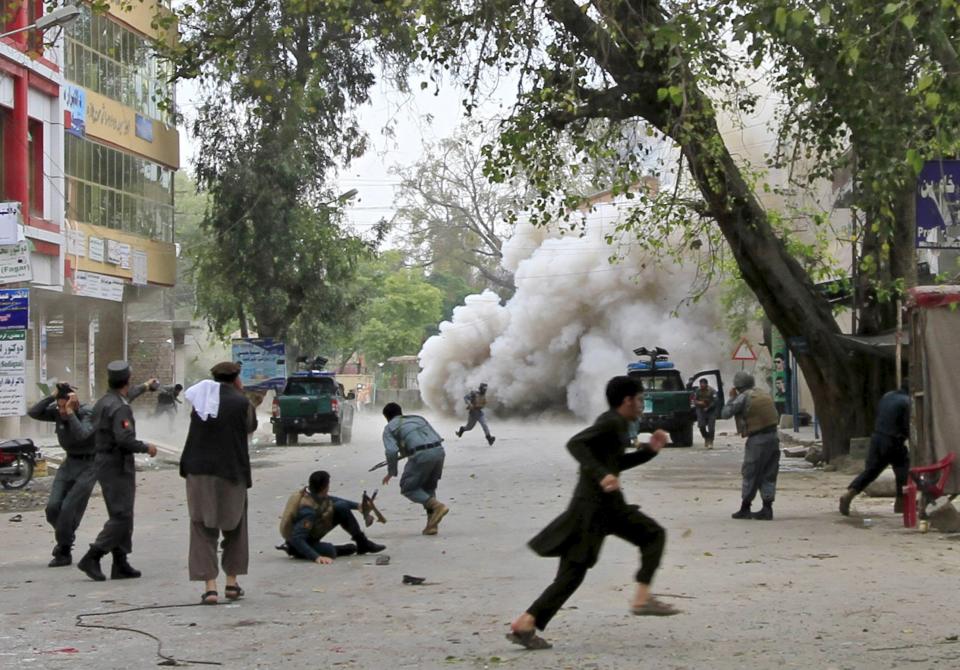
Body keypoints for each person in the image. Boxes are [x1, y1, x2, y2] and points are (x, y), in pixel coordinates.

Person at [507, 376, 678, 651]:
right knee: (652, 535)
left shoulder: (619, 425)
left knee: (572, 574)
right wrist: (602, 475)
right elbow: (576, 444)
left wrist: (649, 452)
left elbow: (615, 463)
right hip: (596, 509)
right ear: (627, 400)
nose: (642, 403)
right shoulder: (610, 422)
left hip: (599, 507)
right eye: (640, 397)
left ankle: (525, 623)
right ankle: (642, 598)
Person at [180, 362, 257, 605]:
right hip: (231, 471)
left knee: (202, 527)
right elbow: (250, 426)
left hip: (197, 471)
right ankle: (232, 584)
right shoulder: (241, 402)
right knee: (235, 526)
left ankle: (210, 588)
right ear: (237, 379)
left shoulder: (201, 400)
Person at [77, 361, 159, 581]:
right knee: (122, 515)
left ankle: (120, 562)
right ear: (127, 380)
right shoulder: (120, 407)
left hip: (104, 461)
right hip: (116, 463)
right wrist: (146, 447)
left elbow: (127, 395)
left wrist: (145, 386)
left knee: (121, 512)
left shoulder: (105, 401)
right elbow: (125, 439)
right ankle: (93, 556)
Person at [28, 382, 97, 567]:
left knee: (68, 508)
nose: (60, 410)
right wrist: (52, 396)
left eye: (63, 406)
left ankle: (64, 550)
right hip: (69, 463)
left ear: (74, 402)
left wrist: (71, 413)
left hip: (89, 465)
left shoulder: (87, 413)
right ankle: (66, 537)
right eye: (58, 407)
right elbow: (33, 412)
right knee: (52, 508)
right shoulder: (57, 411)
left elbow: (83, 435)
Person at [277, 471, 386, 563]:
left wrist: (358, 506)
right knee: (330, 551)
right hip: (301, 542)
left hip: (311, 531)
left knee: (341, 506)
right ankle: (295, 551)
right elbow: (297, 538)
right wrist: (316, 557)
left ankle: (363, 543)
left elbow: (332, 500)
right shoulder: (307, 510)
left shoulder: (313, 494)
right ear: (324, 488)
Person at [839, 380, 911, 516]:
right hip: (894, 440)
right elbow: (907, 426)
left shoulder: (888, 396)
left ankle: (849, 494)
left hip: (877, 438)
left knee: (871, 471)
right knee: (903, 470)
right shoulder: (906, 402)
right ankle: (901, 503)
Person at [381, 403, 449, 535]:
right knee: (429, 488)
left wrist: (391, 472)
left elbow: (391, 451)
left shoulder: (389, 428)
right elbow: (436, 435)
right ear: (401, 412)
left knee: (408, 487)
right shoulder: (418, 418)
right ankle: (432, 525)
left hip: (421, 455)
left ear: (386, 417)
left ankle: (437, 507)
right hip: (439, 451)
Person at [721, 371, 781, 520]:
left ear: (738, 386)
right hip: (773, 437)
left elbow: (725, 413)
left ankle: (745, 508)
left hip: (757, 439)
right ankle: (767, 508)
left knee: (750, 472)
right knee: (769, 472)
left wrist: (731, 398)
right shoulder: (762, 393)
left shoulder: (743, 396)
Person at [693, 378, 718, 449]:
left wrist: (708, 407)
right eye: (701, 384)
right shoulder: (697, 391)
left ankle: (711, 441)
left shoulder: (712, 391)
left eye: (703, 384)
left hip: (711, 410)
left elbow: (715, 401)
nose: (702, 386)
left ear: (706, 384)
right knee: (701, 426)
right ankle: (706, 437)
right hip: (701, 409)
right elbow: (694, 400)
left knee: (711, 427)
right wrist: (699, 402)